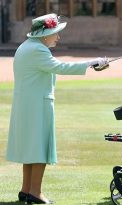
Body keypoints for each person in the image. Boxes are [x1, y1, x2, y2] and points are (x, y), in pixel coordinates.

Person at [6, 13, 108, 204]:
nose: (58, 37)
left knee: (31, 148)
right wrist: (91, 63)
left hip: (28, 105)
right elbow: (61, 67)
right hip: (37, 105)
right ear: (45, 34)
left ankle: (26, 190)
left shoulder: (26, 46)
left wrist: (91, 65)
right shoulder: (38, 50)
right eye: (55, 33)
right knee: (39, 149)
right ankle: (35, 192)